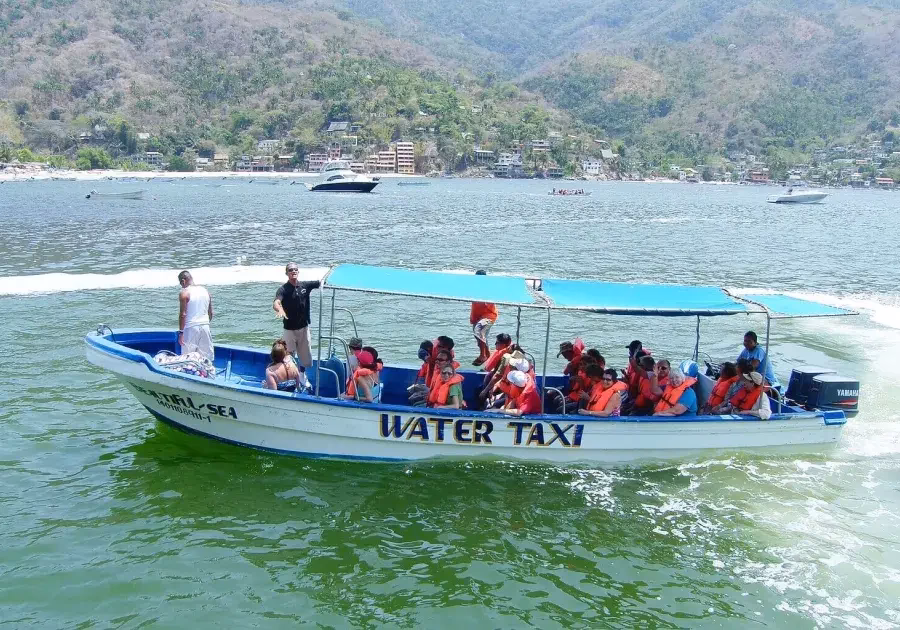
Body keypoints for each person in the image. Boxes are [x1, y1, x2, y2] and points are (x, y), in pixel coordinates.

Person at [273, 263, 321, 369]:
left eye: (295, 269)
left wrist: (331, 270)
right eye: (290, 270)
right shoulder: (283, 289)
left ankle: (302, 374)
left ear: (298, 272)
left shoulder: (305, 285)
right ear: (286, 273)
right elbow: (276, 302)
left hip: (303, 327)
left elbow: (321, 282)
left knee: (305, 357)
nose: (293, 271)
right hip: (289, 329)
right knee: (288, 356)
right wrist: (279, 309)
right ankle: (289, 373)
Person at [177, 270, 214, 361]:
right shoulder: (205, 291)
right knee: (206, 358)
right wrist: (204, 323)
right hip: (205, 326)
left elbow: (183, 315)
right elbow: (211, 313)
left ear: (183, 281)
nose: (182, 286)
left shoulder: (185, 293)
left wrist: (181, 333)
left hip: (191, 328)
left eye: (181, 284)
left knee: (188, 358)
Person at [470, 270, 498, 366]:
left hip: (489, 315)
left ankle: (483, 355)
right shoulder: (473, 287)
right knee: (479, 337)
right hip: (477, 316)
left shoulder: (488, 287)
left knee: (478, 330)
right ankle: (488, 356)